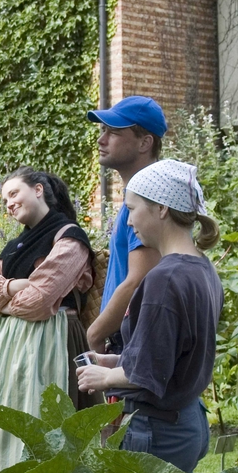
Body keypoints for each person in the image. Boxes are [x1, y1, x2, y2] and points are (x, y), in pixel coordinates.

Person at [76, 159, 222, 473]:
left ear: (160, 209)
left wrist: (106, 376)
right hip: (188, 421)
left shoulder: (164, 278)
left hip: (159, 431)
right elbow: (169, 354)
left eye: (131, 209)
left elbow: (149, 374)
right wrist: (113, 360)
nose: (128, 223)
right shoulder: (202, 267)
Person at [0, 167, 97, 472]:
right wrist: (19, 285)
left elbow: (40, 301)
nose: (9, 203)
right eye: (4, 200)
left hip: (50, 342)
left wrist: (3, 295)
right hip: (11, 349)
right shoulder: (15, 245)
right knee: (11, 424)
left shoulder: (69, 237)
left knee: (45, 422)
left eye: (14, 193)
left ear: (39, 189)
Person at [85, 96, 166, 354]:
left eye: (114, 132)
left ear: (145, 142)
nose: (101, 139)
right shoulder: (137, 196)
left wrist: (95, 334)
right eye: (103, 131)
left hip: (134, 343)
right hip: (127, 339)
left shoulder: (148, 199)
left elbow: (139, 279)